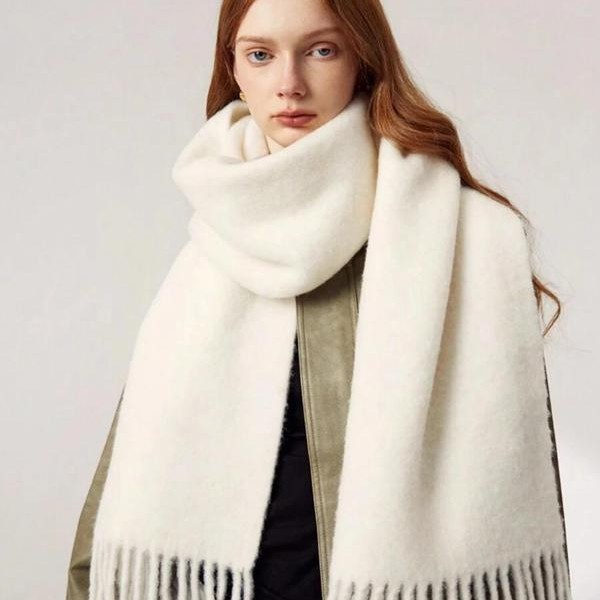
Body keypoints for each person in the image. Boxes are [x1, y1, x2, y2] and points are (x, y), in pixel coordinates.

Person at [66, 1, 572, 599]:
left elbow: (523, 475)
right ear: (233, 68)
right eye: (260, 54)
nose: (289, 84)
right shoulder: (215, 241)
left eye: (321, 50)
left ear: (363, 58)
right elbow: (128, 483)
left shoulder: (466, 238)